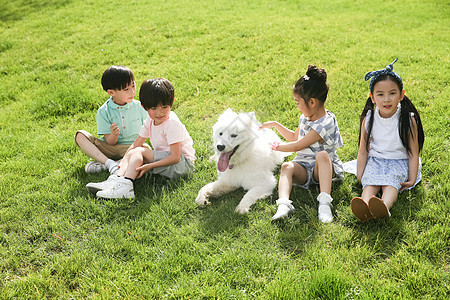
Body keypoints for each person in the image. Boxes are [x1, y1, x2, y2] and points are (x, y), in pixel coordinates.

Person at [86, 78, 195, 199]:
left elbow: (175, 157)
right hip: (168, 158)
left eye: (164, 107)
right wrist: (123, 162)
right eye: (154, 108)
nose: (159, 113)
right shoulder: (150, 120)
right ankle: (116, 180)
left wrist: (151, 166)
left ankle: (126, 187)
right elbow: (135, 144)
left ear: (172, 103)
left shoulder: (172, 124)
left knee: (140, 152)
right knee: (135, 150)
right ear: (144, 107)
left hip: (183, 164)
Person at [260, 65, 344, 223]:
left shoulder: (325, 123)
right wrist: (276, 125)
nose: (297, 106)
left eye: (298, 102)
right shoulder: (305, 118)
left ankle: (325, 202)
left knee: (323, 155)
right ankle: (284, 204)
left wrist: (274, 146)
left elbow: (298, 145)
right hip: (305, 168)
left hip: (323, 170)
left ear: (312, 102)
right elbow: (293, 137)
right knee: (286, 167)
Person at [351, 58, 424, 221]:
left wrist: (412, 178)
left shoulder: (406, 119)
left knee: (390, 184)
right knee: (370, 183)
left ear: (401, 95)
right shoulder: (369, 119)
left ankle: (384, 205)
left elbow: (413, 153)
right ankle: (364, 204)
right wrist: (360, 174)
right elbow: (363, 150)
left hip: (398, 161)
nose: (386, 99)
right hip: (376, 160)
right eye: (380, 94)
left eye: (392, 93)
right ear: (372, 97)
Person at [75, 65, 148, 175]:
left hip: (133, 147)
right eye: (126, 89)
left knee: (147, 150)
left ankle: (114, 164)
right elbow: (110, 142)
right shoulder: (104, 111)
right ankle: (109, 163)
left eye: (133, 86)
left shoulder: (140, 107)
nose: (132, 92)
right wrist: (114, 134)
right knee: (80, 135)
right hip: (109, 149)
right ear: (111, 92)